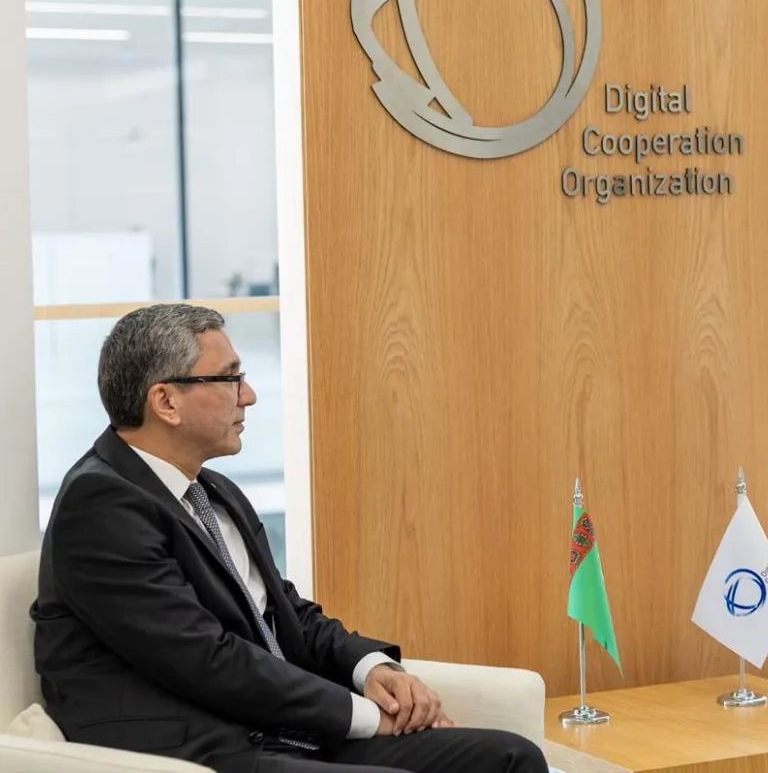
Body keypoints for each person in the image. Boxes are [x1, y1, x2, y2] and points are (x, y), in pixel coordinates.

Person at [31, 304, 547, 773]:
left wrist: (369, 669)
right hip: (203, 748)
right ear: (165, 401)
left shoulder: (212, 489)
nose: (249, 396)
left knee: (510, 757)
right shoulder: (99, 504)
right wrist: (365, 717)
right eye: (230, 378)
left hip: (283, 731)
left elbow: (283, 612)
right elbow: (204, 659)